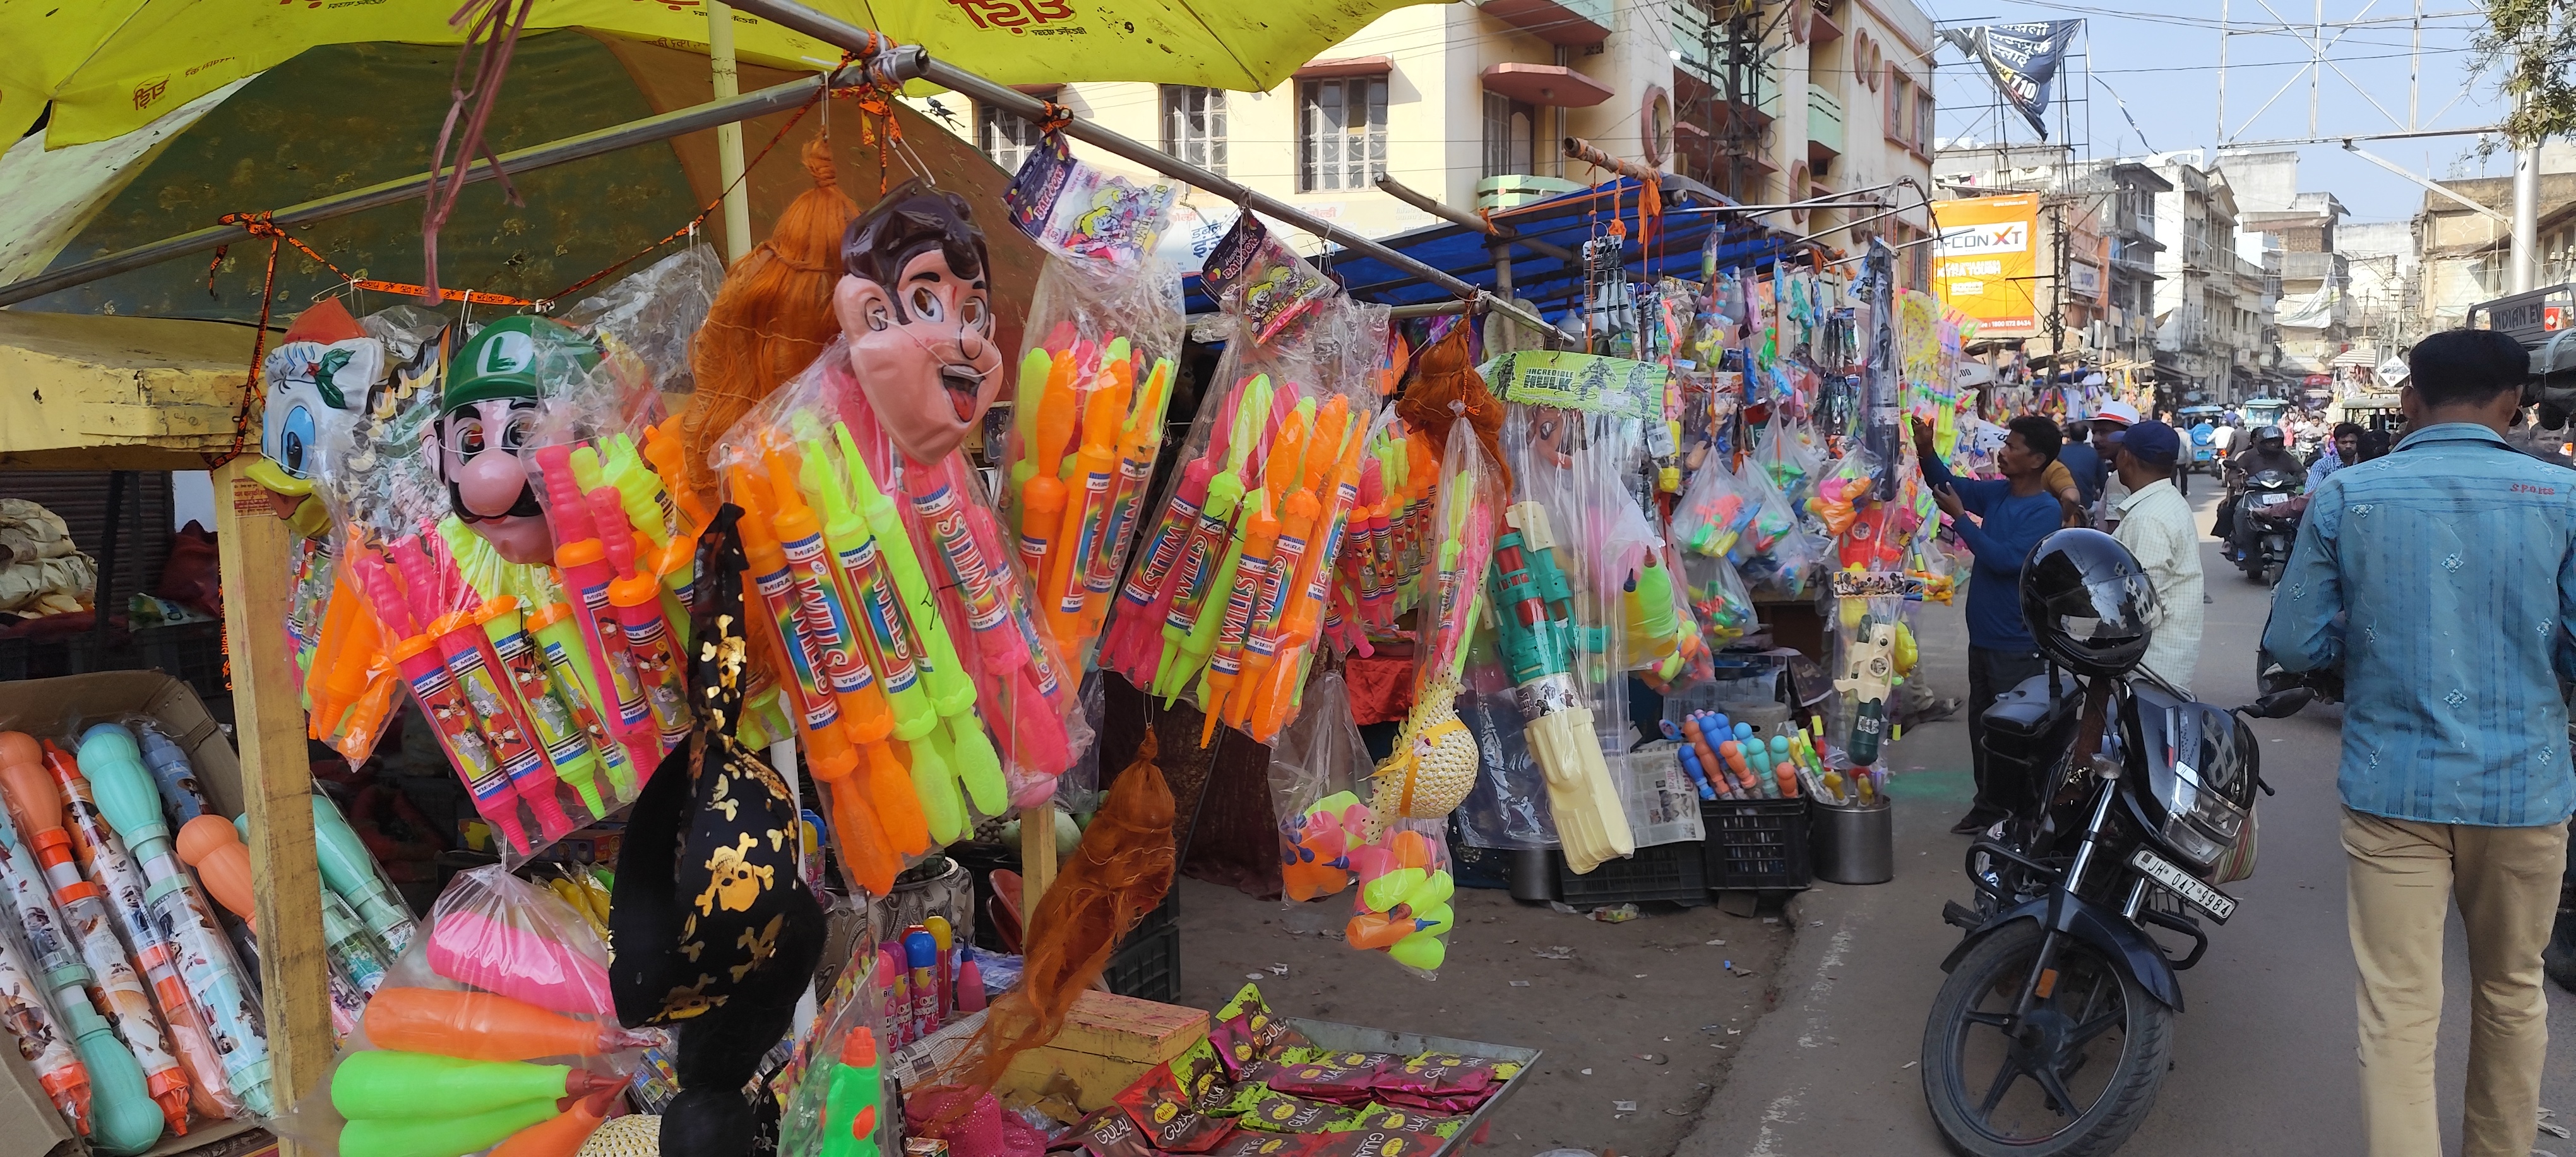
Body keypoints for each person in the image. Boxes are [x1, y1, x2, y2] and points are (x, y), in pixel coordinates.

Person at [2261, 328, 2576, 1157]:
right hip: (2527, 788)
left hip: (2391, 784)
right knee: (2513, 994)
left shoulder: (2348, 496)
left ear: (2411, 398)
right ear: (2515, 402)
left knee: (2398, 1009)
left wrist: (2357, 645)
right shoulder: (2564, 498)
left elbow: (2293, 644)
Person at [1913, 414, 2066, 834]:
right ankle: (1989, 807)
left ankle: (2021, 815)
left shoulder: (2043, 510)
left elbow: (2007, 562)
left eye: (2013, 447)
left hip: (2015, 645)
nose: (2004, 451)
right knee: (1983, 730)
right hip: (1983, 640)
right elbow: (1947, 487)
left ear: (2036, 460)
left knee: (2013, 737)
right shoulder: (2000, 493)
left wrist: (1962, 519)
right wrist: (1926, 451)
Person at [2104, 421, 2201, 690]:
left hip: (2149, 669)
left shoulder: (2147, 518)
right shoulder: (2164, 501)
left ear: (2127, 457)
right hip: (2158, 663)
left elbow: (2143, 606)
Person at [2091, 400, 2140, 527]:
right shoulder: (2132, 473)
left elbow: (2114, 534)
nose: (2095, 439)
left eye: (2103, 432)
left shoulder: (2119, 479)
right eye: (2094, 433)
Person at [2056, 421, 2103, 511]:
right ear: (2085, 436)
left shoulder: (2058, 451)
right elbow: (2103, 483)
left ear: (2069, 434)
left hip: (2061, 505)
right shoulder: (2094, 453)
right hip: (2085, 507)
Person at [2308, 421, 2364, 489]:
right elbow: (2311, 493)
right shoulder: (2322, 466)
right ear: (2335, 444)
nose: (2348, 446)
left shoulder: (2363, 465)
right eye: (2344, 443)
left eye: (2352, 442)